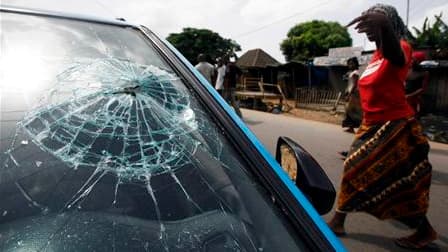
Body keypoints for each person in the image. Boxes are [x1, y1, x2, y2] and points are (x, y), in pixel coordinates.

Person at [327, 4, 438, 249]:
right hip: (372, 125)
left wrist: (385, 26)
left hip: (395, 126)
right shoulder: (374, 58)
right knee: (387, 178)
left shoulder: (401, 49)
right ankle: (339, 220)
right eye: (370, 24)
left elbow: (397, 57)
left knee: (372, 173)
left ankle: (339, 220)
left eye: (376, 24)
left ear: (389, 25)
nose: (370, 29)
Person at [405, 51, 430, 118]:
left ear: (419, 61)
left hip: (413, 99)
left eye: (414, 59)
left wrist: (409, 96)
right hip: (402, 98)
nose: (411, 61)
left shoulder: (424, 73)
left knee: (412, 118)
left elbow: (422, 88)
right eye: (411, 58)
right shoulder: (407, 69)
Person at [341, 57, 362, 133]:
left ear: (356, 64)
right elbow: (349, 83)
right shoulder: (351, 73)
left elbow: (354, 85)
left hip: (353, 94)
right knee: (349, 111)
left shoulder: (356, 73)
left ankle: (358, 126)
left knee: (352, 111)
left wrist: (349, 94)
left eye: (351, 64)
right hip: (350, 92)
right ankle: (351, 127)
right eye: (349, 64)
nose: (350, 65)